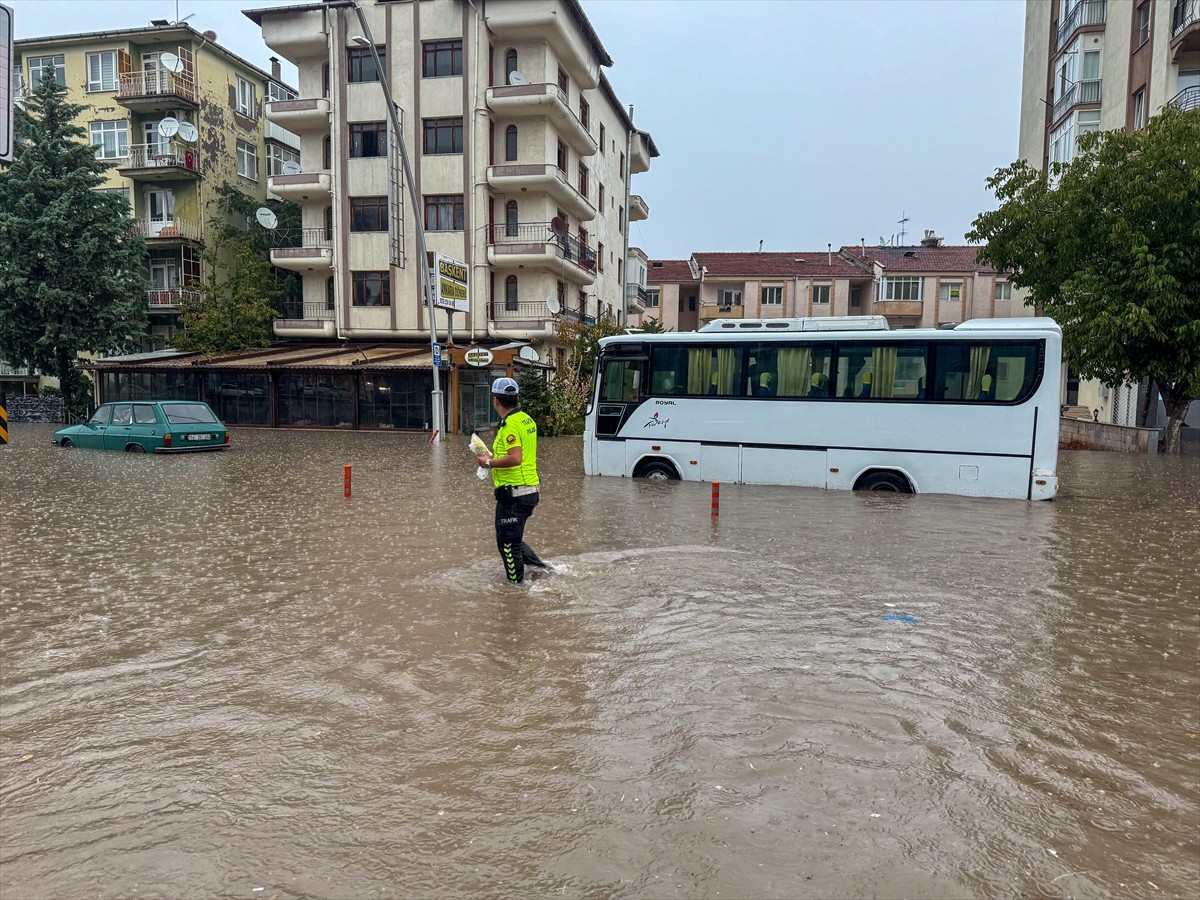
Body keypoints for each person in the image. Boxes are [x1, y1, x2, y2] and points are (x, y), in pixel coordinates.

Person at [474, 376, 550, 583]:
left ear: (495, 400)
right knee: (512, 539)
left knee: (507, 543)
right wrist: (492, 458)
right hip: (527, 491)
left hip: (515, 494)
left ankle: (516, 590)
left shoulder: (509, 426)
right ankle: (543, 570)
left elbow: (516, 458)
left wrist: (488, 463)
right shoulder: (526, 419)